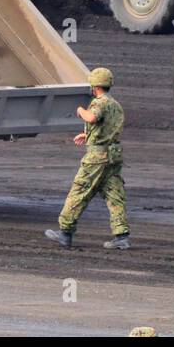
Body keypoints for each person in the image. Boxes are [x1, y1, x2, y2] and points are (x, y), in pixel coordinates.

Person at [45, 67, 130, 249]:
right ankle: (121, 236)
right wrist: (87, 135)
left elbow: (92, 118)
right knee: (114, 195)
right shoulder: (116, 105)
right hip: (113, 156)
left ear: (95, 86)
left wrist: (80, 111)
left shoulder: (99, 103)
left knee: (79, 192)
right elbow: (107, 128)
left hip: (97, 158)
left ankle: (65, 231)